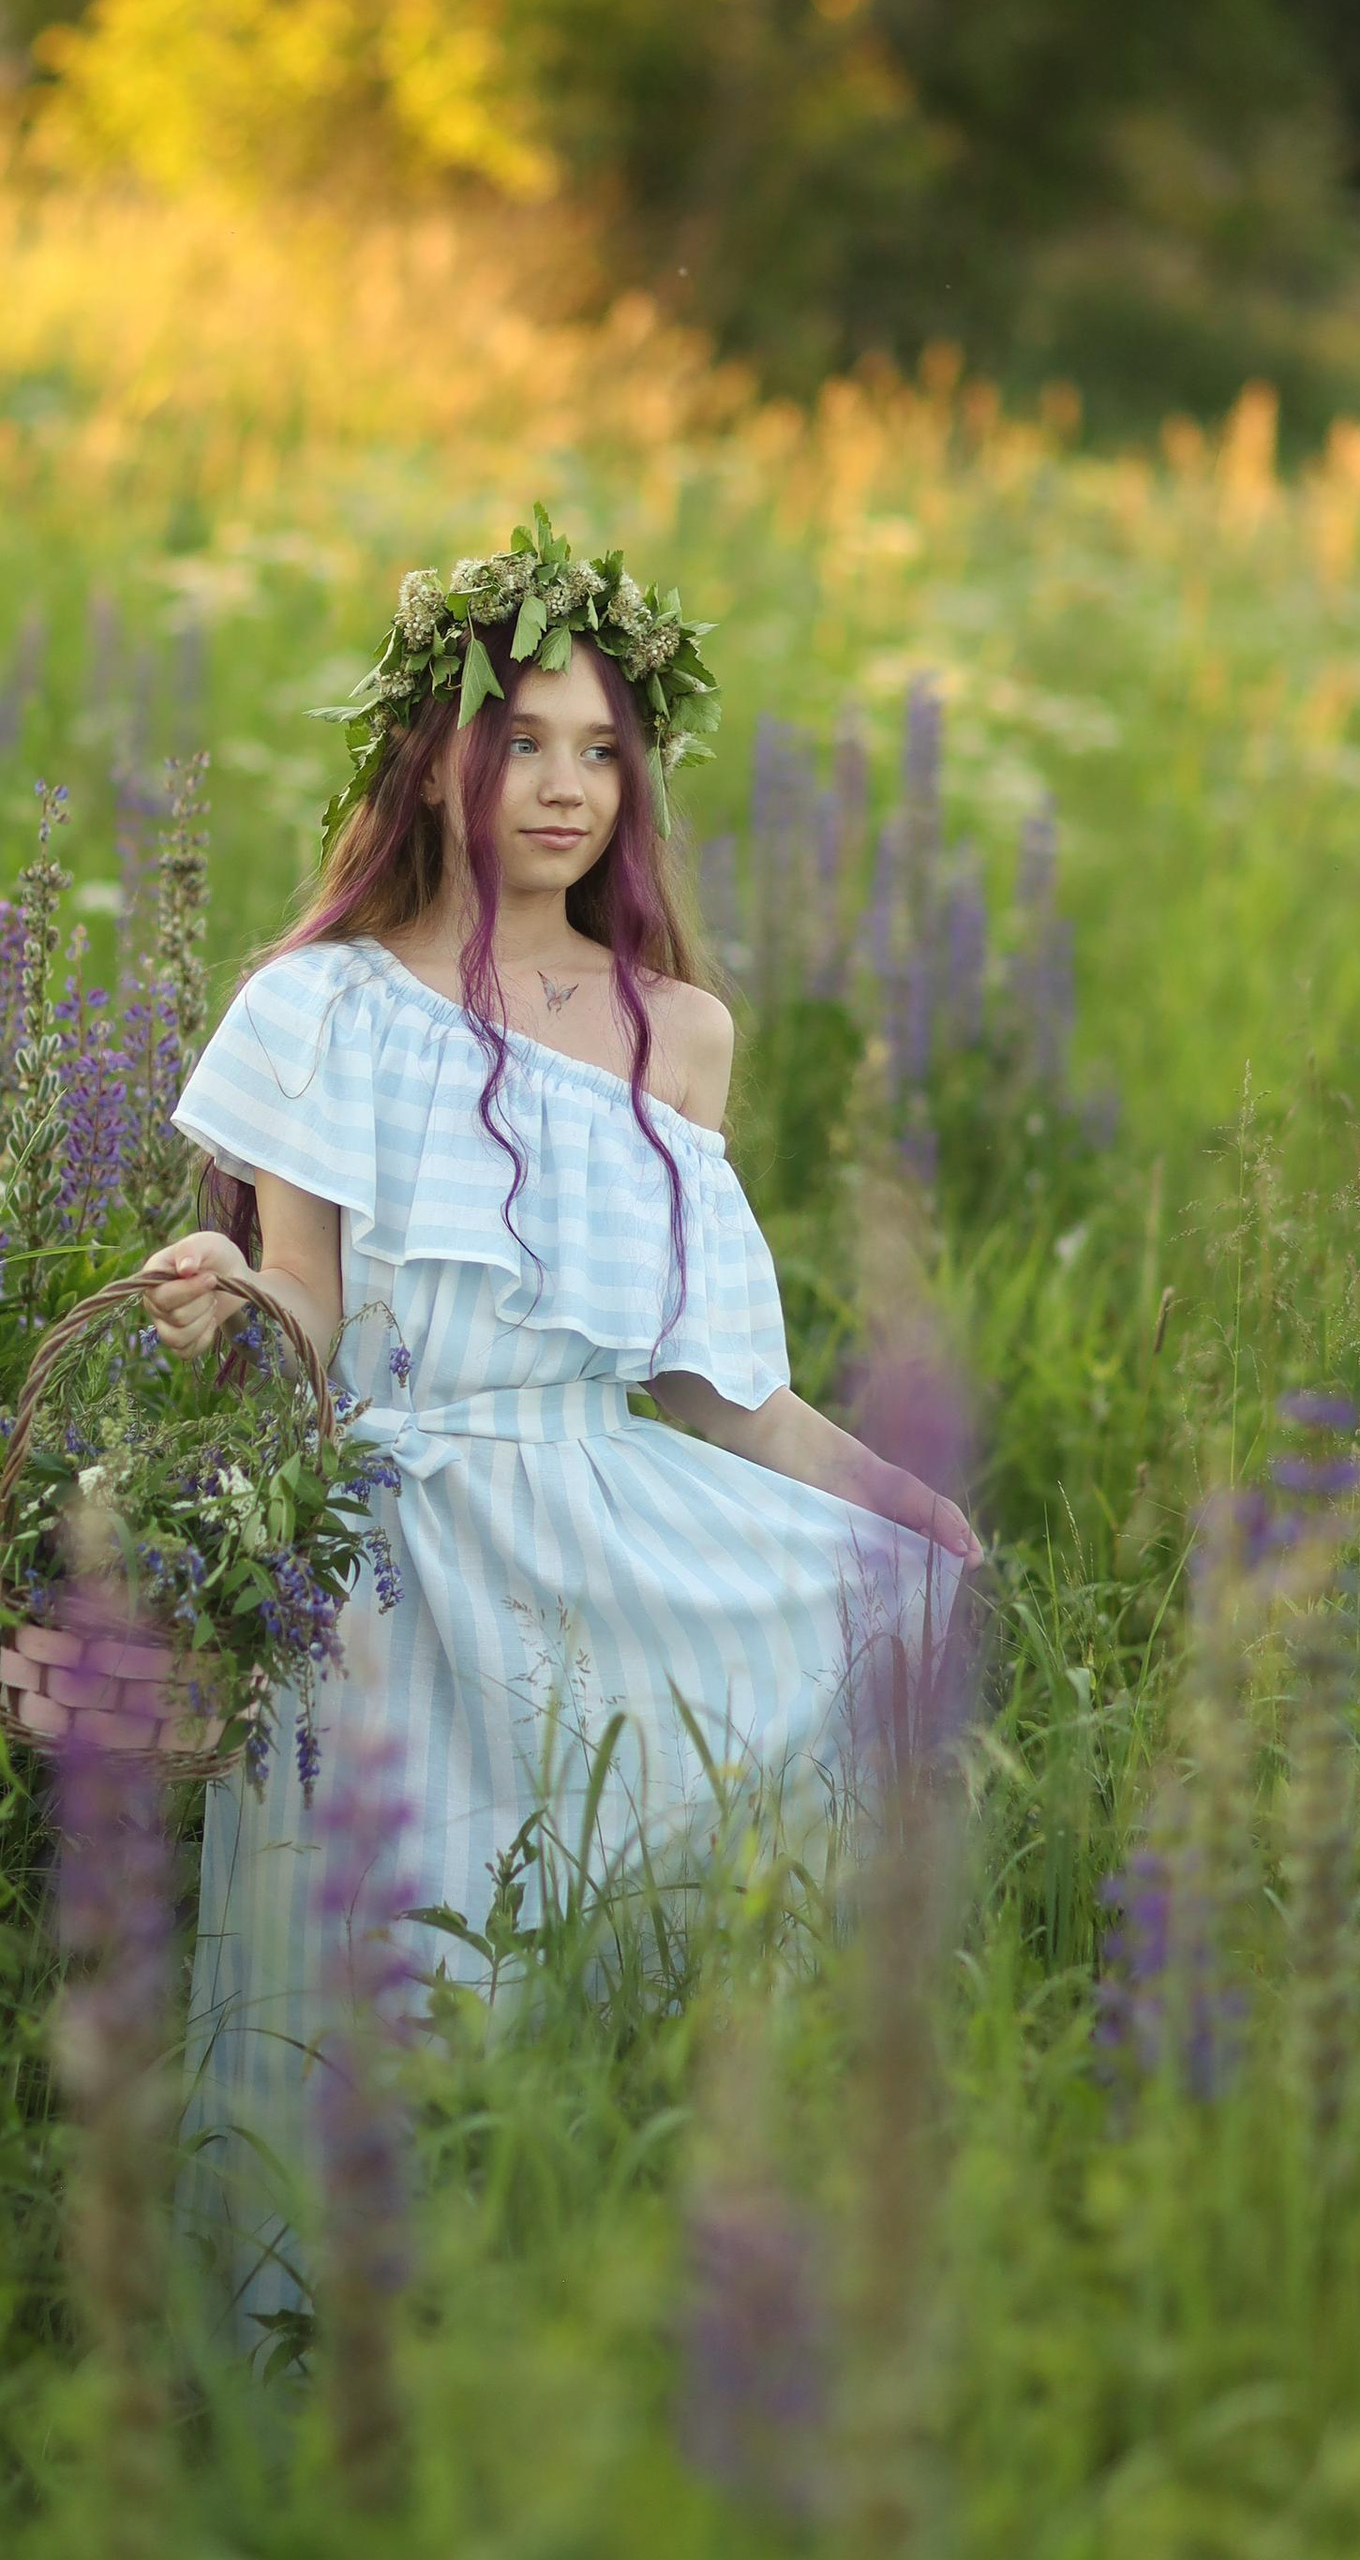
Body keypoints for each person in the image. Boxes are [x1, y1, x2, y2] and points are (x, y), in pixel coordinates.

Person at [145, 521, 976, 2323]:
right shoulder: (323, 1007)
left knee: (598, 1976)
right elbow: (310, 1305)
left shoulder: (674, 1034)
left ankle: (583, 2306)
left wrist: (899, 1499)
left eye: (604, 751)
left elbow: (707, 1386)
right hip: (387, 1562)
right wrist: (227, 1299)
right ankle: (311, 2366)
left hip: (601, 1545)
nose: (565, 789)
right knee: (368, 1974)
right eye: (524, 740)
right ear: (437, 754)